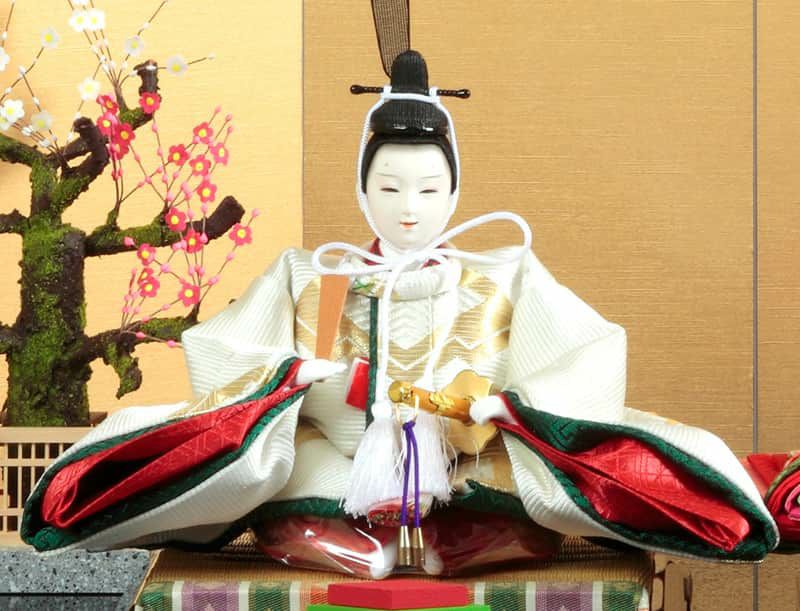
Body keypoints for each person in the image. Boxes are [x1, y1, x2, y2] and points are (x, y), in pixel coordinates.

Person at [22, 50, 777, 576]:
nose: (408, 207)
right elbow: (229, 350)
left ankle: (468, 533)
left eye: (426, 188)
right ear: (363, 189)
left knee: (524, 488)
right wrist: (289, 375)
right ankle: (341, 534)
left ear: (454, 190)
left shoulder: (501, 269)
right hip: (340, 456)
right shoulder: (320, 277)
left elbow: (588, 347)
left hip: (469, 452)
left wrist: (513, 405)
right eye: (388, 188)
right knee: (282, 477)